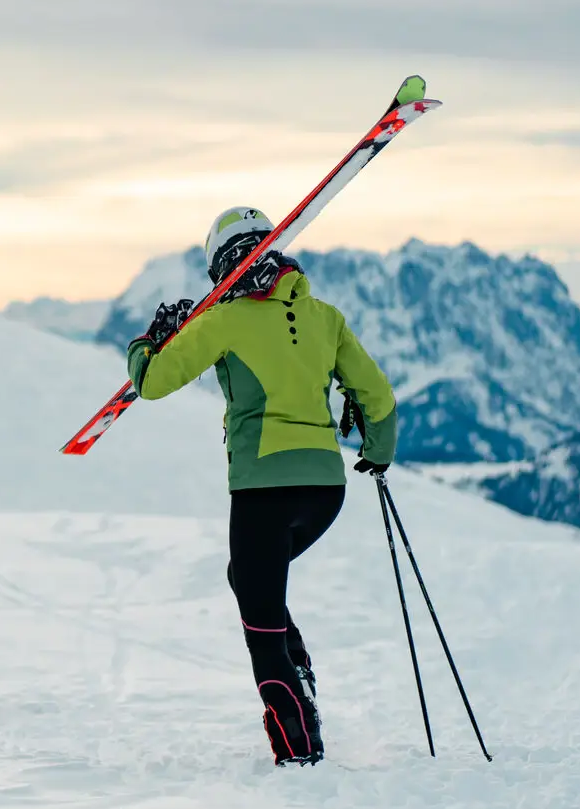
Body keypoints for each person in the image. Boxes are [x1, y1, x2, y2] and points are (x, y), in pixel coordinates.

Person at [127, 207, 398, 765]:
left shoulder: (225, 320)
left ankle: (298, 747)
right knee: (251, 583)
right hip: (325, 492)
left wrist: (150, 340)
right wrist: (377, 454)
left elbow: (151, 382)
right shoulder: (326, 317)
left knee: (260, 621)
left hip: (262, 494)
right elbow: (379, 398)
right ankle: (297, 671)